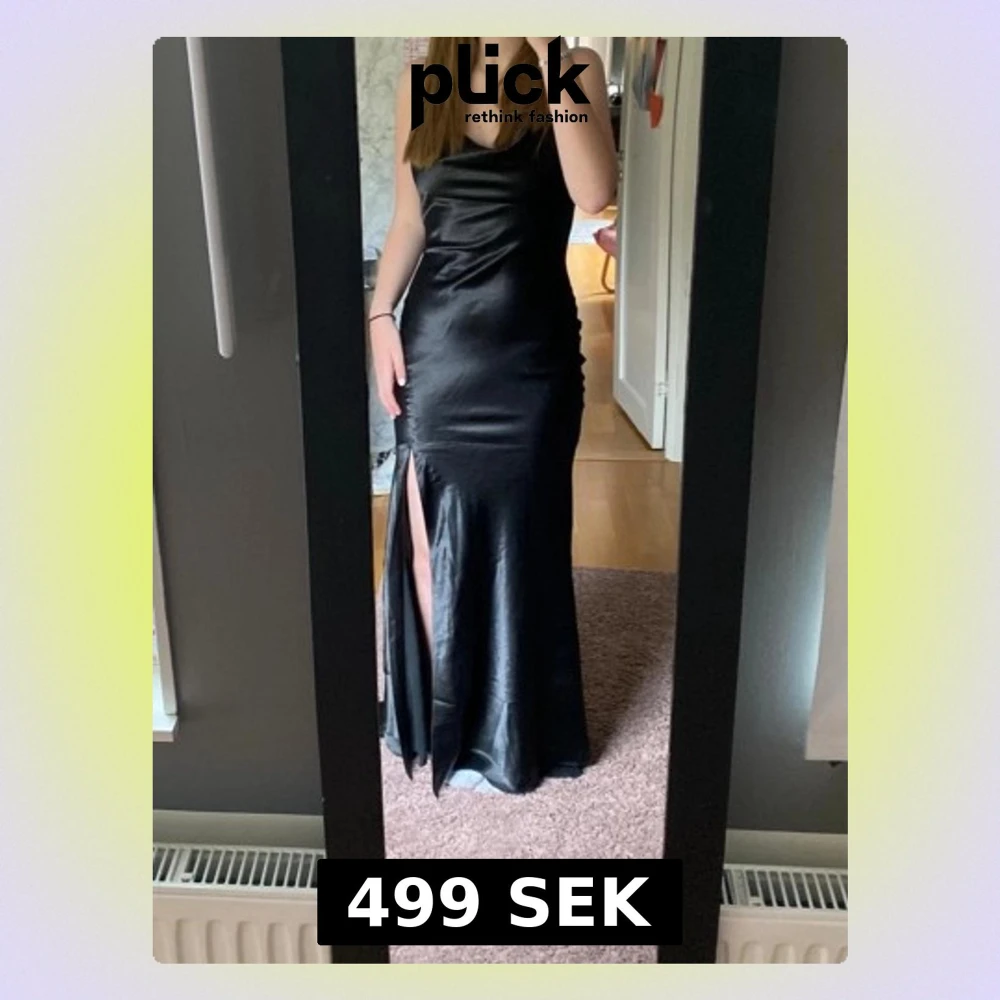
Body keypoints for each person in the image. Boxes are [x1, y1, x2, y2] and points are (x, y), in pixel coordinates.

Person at [369, 37, 617, 795]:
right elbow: (411, 218)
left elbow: (592, 193)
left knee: (524, 546)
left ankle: (509, 731)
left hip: (532, 360)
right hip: (438, 351)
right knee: (427, 543)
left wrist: (547, 53)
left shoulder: (571, 69)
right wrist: (378, 313)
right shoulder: (423, 78)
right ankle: (445, 720)